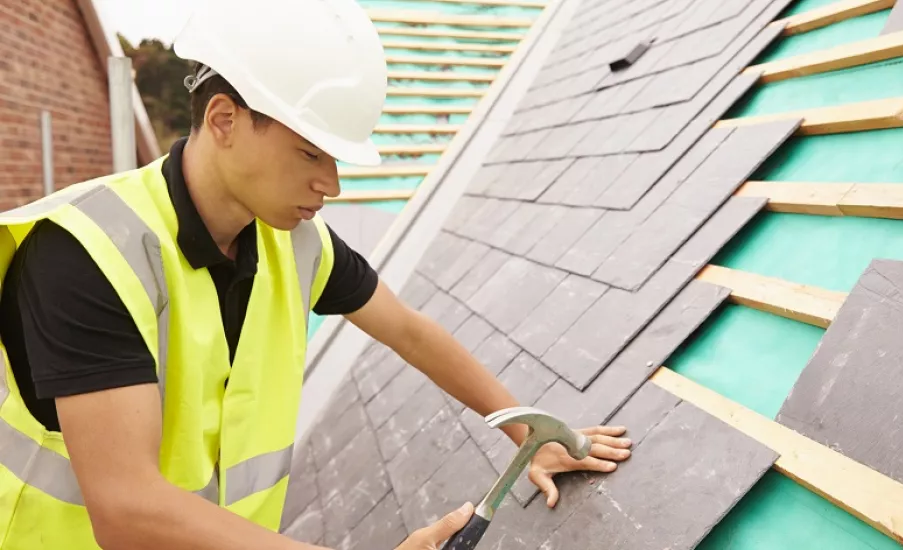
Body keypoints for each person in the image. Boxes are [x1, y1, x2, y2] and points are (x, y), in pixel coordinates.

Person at [0, 0, 632, 548]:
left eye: (335, 159)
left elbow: (409, 331)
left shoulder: (296, 245)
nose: (329, 185)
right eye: (309, 152)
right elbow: (126, 509)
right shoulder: (86, 254)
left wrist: (531, 435)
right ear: (224, 120)